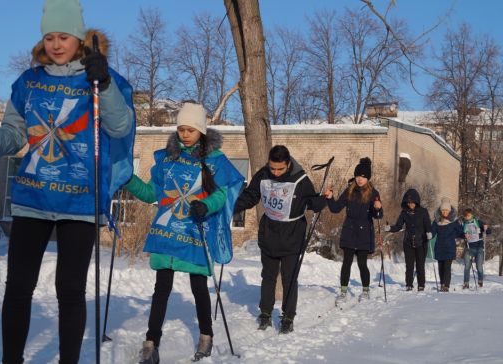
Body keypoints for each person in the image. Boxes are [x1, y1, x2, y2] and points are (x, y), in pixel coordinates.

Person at [0, 1, 136, 363]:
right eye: (49, 36)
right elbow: (15, 133)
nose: (55, 43)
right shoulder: (29, 81)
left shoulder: (99, 78)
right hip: (32, 198)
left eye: (63, 36)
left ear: (79, 39)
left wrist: (106, 83)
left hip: (79, 203)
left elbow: (120, 126)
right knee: (18, 288)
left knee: (69, 289)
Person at [124, 102, 244, 363]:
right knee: (161, 289)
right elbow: (149, 193)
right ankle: (151, 343)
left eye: (190, 129)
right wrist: (126, 178)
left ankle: (206, 336)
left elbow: (221, 194)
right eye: (181, 128)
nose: (185, 134)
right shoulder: (168, 159)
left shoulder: (214, 161)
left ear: (201, 130)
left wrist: (206, 204)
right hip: (167, 232)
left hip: (194, 233)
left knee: (198, 287)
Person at [233, 145, 327, 334]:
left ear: (288, 163)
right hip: (269, 233)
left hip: (292, 235)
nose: (275, 172)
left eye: (280, 169)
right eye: (272, 168)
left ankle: (288, 317)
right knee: (268, 276)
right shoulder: (263, 174)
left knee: (289, 278)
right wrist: (232, 207)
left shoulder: (300, 180)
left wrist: (323, 199)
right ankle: (265, 313)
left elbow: (310, 202)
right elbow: (251, 196)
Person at [324, 157, 383, 303]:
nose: (360, 179)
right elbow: (336, 208)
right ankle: (343, 292)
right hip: (349, 230)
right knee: (347, 262)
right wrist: (330, 198)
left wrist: (378, 208)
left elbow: (378, 216)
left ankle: (365, 290)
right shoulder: (349, 191)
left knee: (362, 263)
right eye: (358, 176)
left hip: (364, 232)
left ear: (367, 178)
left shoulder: (373, 193)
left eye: (363, 176)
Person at [385, 189, 432, 291]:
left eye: (412, 202)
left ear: (416, 202)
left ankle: (421, 284)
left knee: (420, 265)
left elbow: (428, 224)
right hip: (408, 242)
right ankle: (409, 284)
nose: (411, 204)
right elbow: (398, 226)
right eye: (409, 203)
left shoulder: (423, 212)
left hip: (421, 242)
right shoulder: (404, 213)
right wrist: (390, 228)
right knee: (409, 265)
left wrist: (429, 232)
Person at [431, 198, 463, 292]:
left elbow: (460, 231)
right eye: (443, 210)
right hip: (439, 247)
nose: (445, 212)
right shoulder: (436, 221)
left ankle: (446, 286)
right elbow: (433, 232)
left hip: (450, 247)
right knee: (441, 267)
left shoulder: (454, 221)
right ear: (441, 211)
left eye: (446, 210)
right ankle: (442, 283)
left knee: (447, 267)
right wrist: (429, 235)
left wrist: (464, 235)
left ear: (449, 211)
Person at [461, 208, 491, 289]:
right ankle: (466, 283)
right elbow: (460, 234)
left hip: (479, 248)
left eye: (469, 215)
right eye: (466, 216)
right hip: (468, 248)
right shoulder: (463, 224)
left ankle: (480, 281)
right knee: (467, 266)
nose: (467, 217)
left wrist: (486, 228)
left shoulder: (478, 222)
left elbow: (488, 232)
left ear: (472, 215)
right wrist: (464, 235)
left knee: (479, 266)